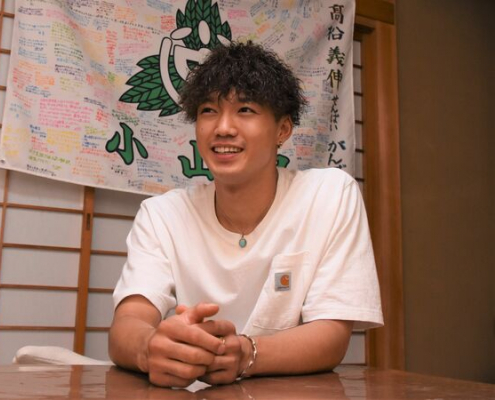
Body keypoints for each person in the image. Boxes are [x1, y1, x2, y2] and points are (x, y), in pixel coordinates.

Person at [109, 41, 383, 388]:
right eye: (209, 110)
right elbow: (127, 323)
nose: (223, 127)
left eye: (245, 110)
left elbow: (332, 336)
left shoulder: (329, 195)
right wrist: (150, 349)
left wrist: (245, 354)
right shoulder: (161, 214)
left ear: (282, 130)